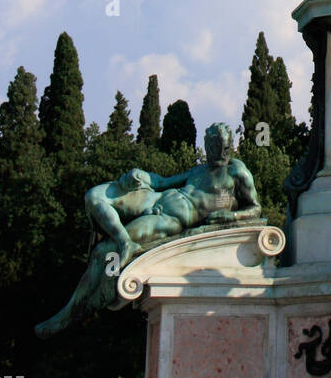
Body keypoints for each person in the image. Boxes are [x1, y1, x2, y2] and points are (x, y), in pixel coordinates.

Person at [35, 123, 261, 338]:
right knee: (94, 196)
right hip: (156, 198)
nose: (219, 152)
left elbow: (255, 208)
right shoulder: (200, 169)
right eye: (213, 147)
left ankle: (69, 314)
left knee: (104, 252)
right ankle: (125, 242)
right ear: (206, 145)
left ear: (230, 145)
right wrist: (141, 175)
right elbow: (163, 182)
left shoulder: (237, 172)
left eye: (224, 147)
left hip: (167, 219)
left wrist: (231, 215)